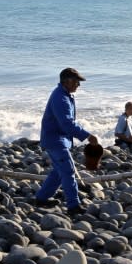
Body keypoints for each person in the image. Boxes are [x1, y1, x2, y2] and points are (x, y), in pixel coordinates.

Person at [35, 67, 99, 216]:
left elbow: (66, 124)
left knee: (59, 172)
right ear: (67, 81)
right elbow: (67, 124)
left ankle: (41, 198)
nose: (79, 85)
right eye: (77, 81)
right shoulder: (61, 98)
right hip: (55, 140)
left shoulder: (65, 95)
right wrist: (88, 136)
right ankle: (73, 206)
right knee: (68, 170)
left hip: (56, 139)